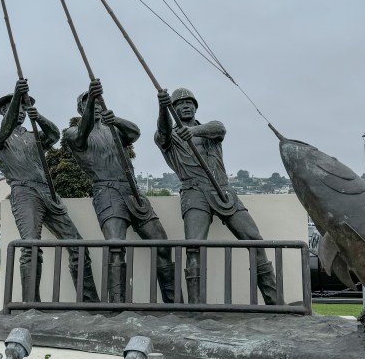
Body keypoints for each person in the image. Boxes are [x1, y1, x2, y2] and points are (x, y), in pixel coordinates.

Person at [155, 87, 277, 305]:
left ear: (195, 106)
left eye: (189, 102)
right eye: (180, 103)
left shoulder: (208, 131)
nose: (185, 106)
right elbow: (162, 132)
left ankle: (275, 301)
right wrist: (162, 106)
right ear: (174, 109)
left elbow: (219, 127)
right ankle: (195, 308)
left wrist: (192, 132)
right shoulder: (169, 137)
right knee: (194, 247)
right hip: (194, 192)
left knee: (255, 240)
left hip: (223, 190)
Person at [64, 79, 175, 303]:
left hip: (132, 191)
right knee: (116, 246)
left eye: (96, 102)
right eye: (88, 103)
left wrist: (115, 119)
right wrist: (93, 98)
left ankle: (174, 303)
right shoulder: (73, 132)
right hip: (106, 191)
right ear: (81, 109)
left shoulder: (113, 129)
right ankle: (118, 306)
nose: (94, 105)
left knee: (162, 244)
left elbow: (135, 133)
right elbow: (82, 132)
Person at [0, 78, 99, 303]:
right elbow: (6, 128)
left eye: (22, 109)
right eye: (14, 109)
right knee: (31, 246)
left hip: (48, 193)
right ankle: (31, 304)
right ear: (3, 111)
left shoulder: (33, 137)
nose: (19, 113)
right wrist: (18, 95)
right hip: (24, 192)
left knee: (77, 244)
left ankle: (89, 301)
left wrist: (37, 117)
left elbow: (54, 135)